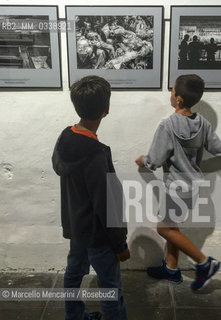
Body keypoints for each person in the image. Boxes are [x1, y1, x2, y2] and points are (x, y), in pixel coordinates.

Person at [135, 74, 221, 291]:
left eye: (172, 91)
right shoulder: (202, 124)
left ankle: (205, 263)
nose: (170, 94)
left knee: (164, 229)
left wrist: (143, 161)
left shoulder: (167, 125)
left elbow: (155, 159)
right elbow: (220, 149)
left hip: (175, 187)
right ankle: (171, 269)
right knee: (173, 226)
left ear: (178, 100)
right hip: (193, 187)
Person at [52, 76, 129, 320]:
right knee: (110, 288)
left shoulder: (65, 138)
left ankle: (74, 316)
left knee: (73, 273)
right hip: (98, 234)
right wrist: (119, 244)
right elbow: (105, 203)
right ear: (106, 109)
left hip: (77, 227)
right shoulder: (96, 153)